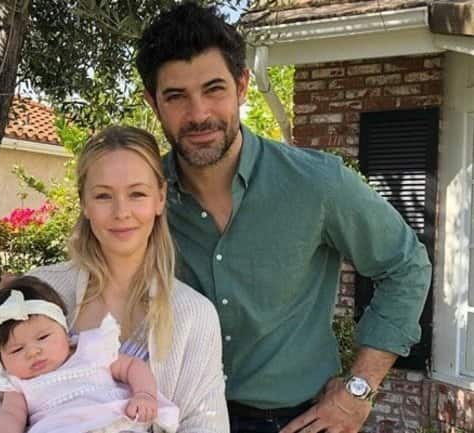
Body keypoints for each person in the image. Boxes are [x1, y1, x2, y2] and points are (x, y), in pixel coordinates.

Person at [135, 3, 432, 433]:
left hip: (298, 420)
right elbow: (89, 275)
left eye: (214, 89)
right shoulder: (141, 199)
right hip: (178, 417)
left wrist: (359, 388)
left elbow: (405, 265)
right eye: (176, 96)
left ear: (242, 87)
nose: (198, 114)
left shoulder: (317, 183)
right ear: (153, 102)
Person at [0, 126, 230, 433]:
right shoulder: (33, 293)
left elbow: (205, 424)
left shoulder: (194, 314)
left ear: (160, 198)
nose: (121, 212)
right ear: (84, 203)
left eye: (137, 193)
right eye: (103, 196)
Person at [0, 275, 179, 433]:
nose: (33, 352)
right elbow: (10, 414)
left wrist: (144, 394)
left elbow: (132, 366)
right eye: (17, 349)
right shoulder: (17, 385)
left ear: (63, 329)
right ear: (1, 358)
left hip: (114, 422)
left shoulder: (91, 350)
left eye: (43, 337)